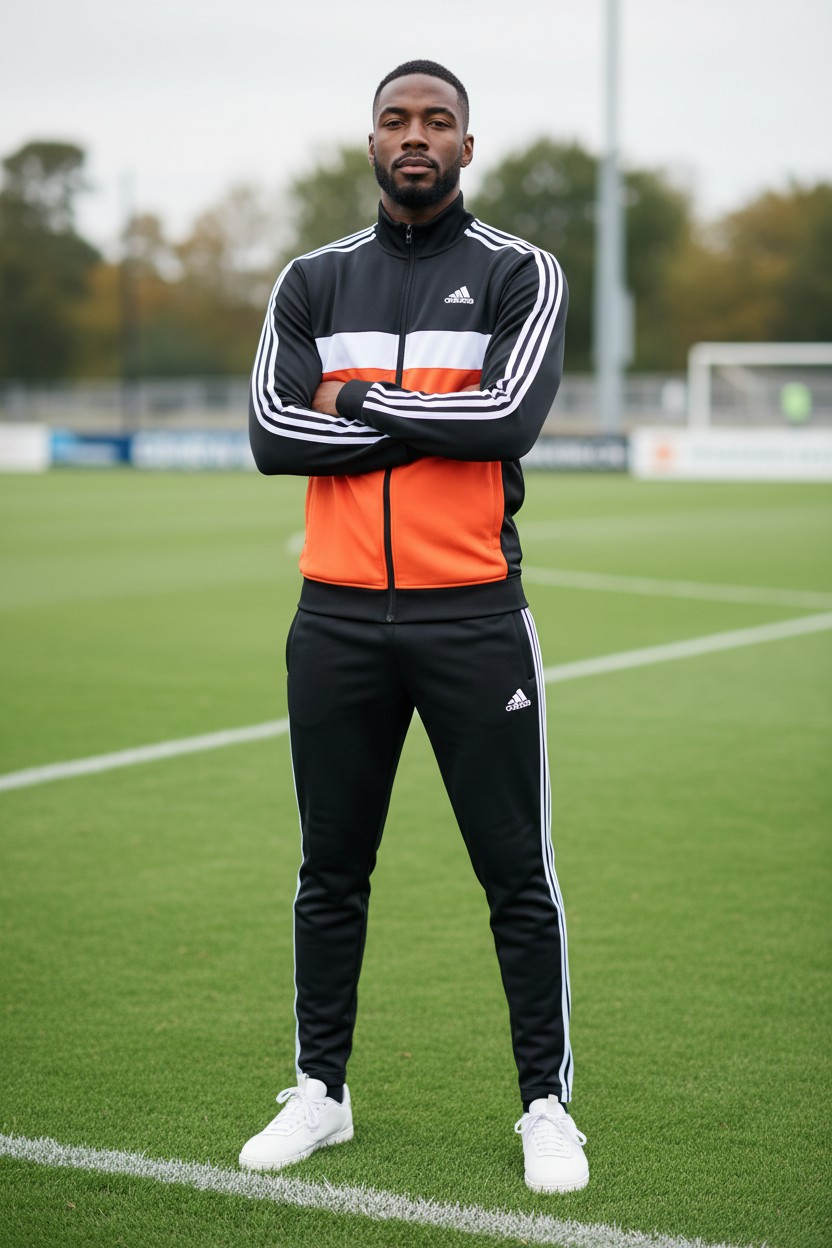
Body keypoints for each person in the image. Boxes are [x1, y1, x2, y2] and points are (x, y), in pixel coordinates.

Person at [239, 59, 588, 1194]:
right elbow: (270, 435)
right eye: (396, 119)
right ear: (372, 141)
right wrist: (434, 422)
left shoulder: (520, 272)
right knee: (330, 870)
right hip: (334, 619)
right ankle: (320, 1092)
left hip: (474, 616)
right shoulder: (311, 280)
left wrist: (353, 402)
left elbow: (508, 418)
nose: (415, 135)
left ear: (466, 147)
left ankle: (545, 1104)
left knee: (516, 874)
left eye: (438, 121)